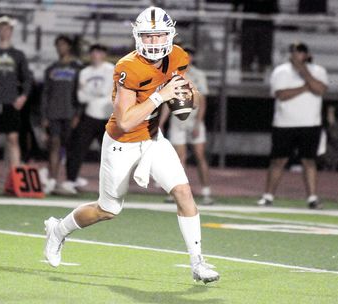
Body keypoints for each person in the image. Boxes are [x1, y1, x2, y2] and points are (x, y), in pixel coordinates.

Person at [43, 7, 220, 284]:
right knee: (108, 210)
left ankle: (197, 262)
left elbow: (189, 92)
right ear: (138, 37)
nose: (153, 42)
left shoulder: (177, 56)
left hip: (152, 138)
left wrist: (188, 95)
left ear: (169, 35)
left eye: (159, 35)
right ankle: (58, 230)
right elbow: (124, 121)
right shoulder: (128, 66)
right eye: (147, 37)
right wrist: (161, 96)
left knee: (184, 192)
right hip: (121, 143)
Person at [257, 42, 328, 209]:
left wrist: (305, 73)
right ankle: (268, 196)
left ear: (307, 54)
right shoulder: (281, 71)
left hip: (310, 123)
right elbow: (281, 94)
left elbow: (320, 89)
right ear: (290, 54)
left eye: (302, 52)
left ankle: (312, 198)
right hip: (284, 124)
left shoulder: (318, 71)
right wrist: (305, 87)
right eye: (296, 52)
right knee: (278, 160)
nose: (299, 55)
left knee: (309, 161)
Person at [0, 16, 32, 186]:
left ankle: (18, 182)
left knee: (13, 139)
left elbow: (27, 79)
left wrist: (23, 96)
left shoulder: (18, 55)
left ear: (11, 32)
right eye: (2, 28)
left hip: (11, 102)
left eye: (8, 28)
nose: (5, 31)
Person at [159, 46, 213, 205]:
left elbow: (202, 102)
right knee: (179, 158)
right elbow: (168, 103)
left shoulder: (198, 75)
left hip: (193, 120)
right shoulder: (172, 76)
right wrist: (161, 123)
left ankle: (206, 191)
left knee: (200, 156)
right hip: (178, 121)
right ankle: (177, 192)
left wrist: (198, 124)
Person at [59, 44, 114, 195]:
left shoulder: (111, 69)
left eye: (100, 52)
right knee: (77, 149)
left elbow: (104, 90)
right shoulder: (84, 72)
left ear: (104, 54)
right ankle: (71, 180)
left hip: (108, 117)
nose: (96, 55)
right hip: (90, 114)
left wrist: (88, 90)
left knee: (111, 153)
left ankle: (112, 186)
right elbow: (80, 97)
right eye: (94, 52)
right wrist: (92, 93)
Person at [40, 35, 82, 194]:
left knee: (70, 147)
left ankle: (70, 180)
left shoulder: (77, 68)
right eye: (58, 45)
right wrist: (44, 116)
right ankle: (52, 179)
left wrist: (78, 114)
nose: (60, 48)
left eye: (63, 45)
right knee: (54, 144)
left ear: (69, 47)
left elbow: (80, 92)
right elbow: (45, 94)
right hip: (54, 113)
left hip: (70, 112)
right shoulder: (51, 69)